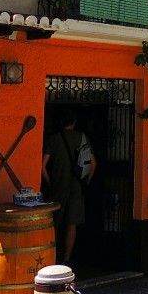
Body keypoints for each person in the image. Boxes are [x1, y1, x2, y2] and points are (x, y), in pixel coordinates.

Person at [42, 109, 97, 265]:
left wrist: (50, 182)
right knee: (72, 223)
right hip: (76, 186)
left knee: (55, 223)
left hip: (58, 186)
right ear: (74, 122)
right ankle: (66, 259)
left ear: (60, 122)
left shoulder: (53, 140)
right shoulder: (82, 138)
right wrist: (86, 181)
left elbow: (42, 166)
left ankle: (52, 257)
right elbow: (93, 164)